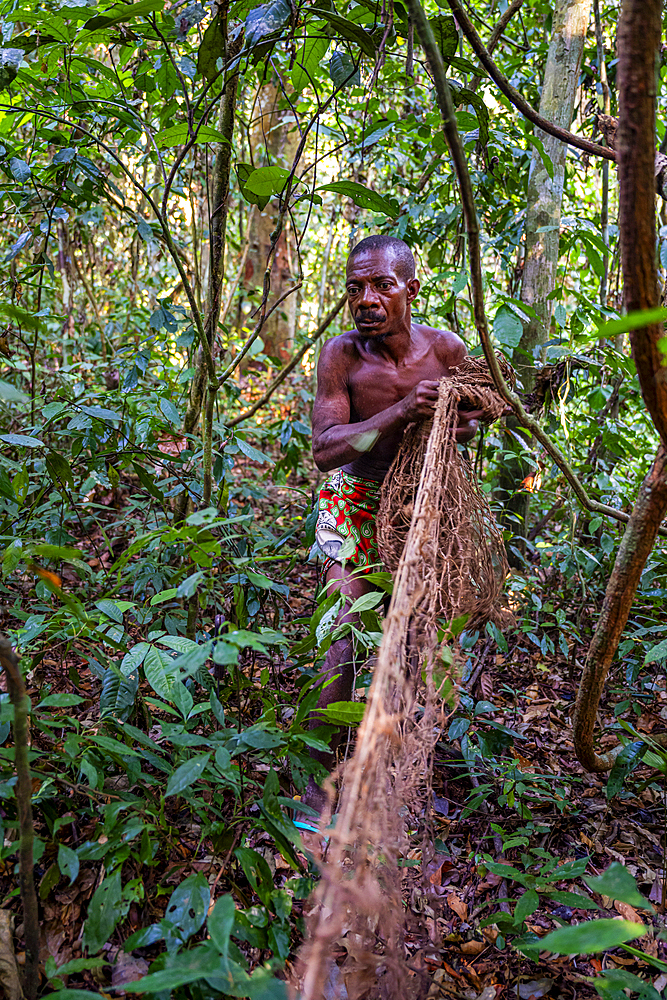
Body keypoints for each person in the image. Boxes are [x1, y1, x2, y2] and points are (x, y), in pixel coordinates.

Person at [303, 234, 483, 809]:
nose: (367, 299)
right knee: (341, 631)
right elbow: (327, 449)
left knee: (422, 637)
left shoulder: (447, 350)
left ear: (412, 288)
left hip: (423, 505)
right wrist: (402, 411)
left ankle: (411, 770)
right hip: (353, 496)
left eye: (382, 284)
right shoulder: (341, 357)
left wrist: (457, 426)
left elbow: (482, 406)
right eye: (355, 287)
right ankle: (321, 782)